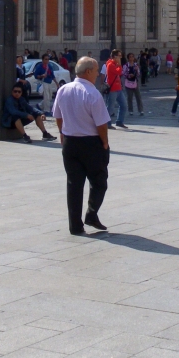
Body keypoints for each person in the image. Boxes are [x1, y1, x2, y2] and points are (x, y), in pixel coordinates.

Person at [52, 57, 113, 235]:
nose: (97, 74)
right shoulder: (92, 93)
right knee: (99, 180)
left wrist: (62, 132)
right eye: (95, 71)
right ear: (88, 72)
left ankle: (75, 225)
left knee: (74, 184)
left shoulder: (64, 89)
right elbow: (101, 124)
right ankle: (91, 213)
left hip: (70, 142)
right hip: (91, 142)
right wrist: (105, 142)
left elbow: (57, 115)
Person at [104, 50, 128, 129]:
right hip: (112, 89)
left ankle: (119, 121)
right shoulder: (110, 64)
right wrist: (120, 64)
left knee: (124, 105)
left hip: (119, 88)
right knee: (110, 107)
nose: (120, 57)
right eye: (119, 56)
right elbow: (119, 72)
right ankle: (107, 123)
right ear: (114, 56)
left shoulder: (115, 64)